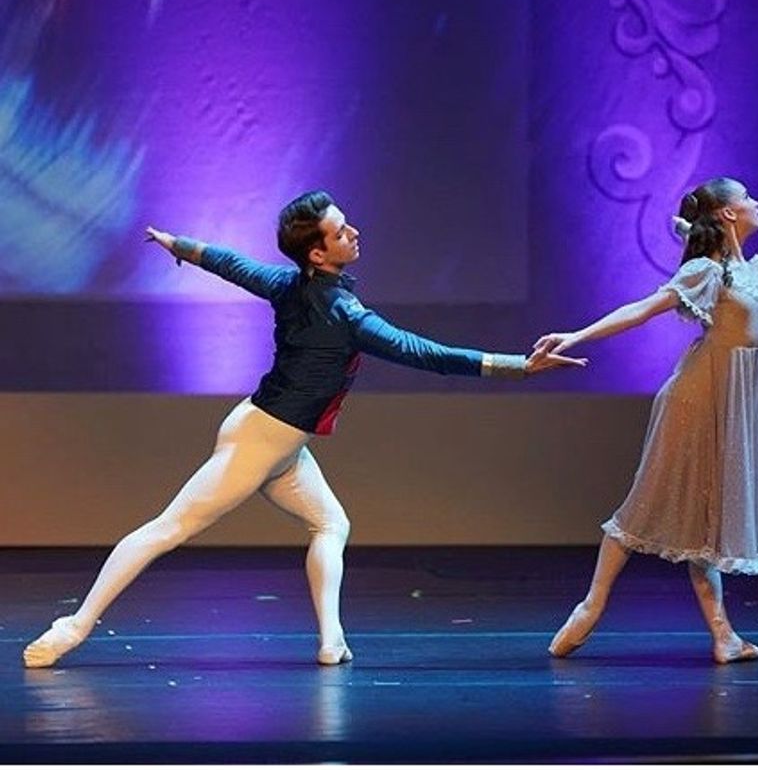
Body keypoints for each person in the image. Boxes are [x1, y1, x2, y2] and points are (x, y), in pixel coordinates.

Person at [23, 190, 584, 669]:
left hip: (278, 440)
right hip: (261, 440)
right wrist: (520, 365)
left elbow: (233, 265)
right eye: (342, 232)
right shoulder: (342, 313)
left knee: (331, 523)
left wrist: (180, 245)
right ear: (318, 252)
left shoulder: (296, 287)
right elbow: (425, 353)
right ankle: (74, 625)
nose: (354, 233)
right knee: (169, 528)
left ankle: (331, 641)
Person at [540, 177, 758, 664]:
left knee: (708, 522)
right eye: (748, 198)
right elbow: (642, 309)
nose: (757, 201)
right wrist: (575, 335)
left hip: (736, 404)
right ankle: (591, 606)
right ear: (729, 214)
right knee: (646, 505)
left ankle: (723, 636)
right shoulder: (708, 273)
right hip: (695, 397)